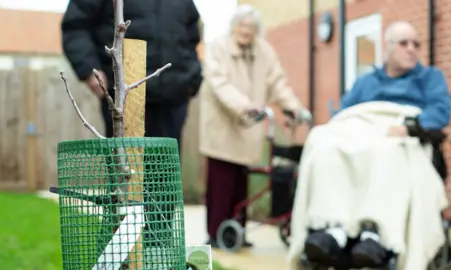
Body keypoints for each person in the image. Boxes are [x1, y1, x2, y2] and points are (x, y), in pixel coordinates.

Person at [288, 21, 451, 269]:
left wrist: (409, 127)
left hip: (400, 134)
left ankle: (375, 235)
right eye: (404, 43)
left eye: (416, 44)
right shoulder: (365, 82)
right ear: (386, 48)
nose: (412, 49)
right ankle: (333, 229)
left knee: (387, 152)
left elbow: (440, 112)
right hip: (361, 132)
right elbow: (344, 114)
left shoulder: (430, 78)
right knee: (324, 145)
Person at [199, 4, 309, 248]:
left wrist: (293, 106)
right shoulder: (218, 47)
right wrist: (245, 106)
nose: (246, 31)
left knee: (241, 183)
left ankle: (236, 233)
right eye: (242, 26)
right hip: (223, 126)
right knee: (221, 182)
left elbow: (277, 82)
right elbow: (219, 84)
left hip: (248, 127)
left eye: (251, 27)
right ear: (234, 26)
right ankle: (215, 234)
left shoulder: (264, 52)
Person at [61, 0, 203, 151]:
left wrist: (192, 77)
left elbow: (192, 34)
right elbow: (75, 25)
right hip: (124, 98)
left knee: (166, 171)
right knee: (125, 168)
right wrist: (89, 69)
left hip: (173, 99)